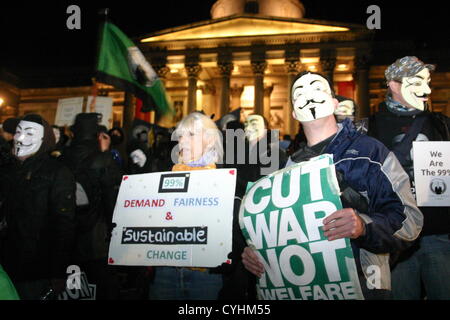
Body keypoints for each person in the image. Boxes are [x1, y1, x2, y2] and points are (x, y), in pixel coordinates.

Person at [241, 71, 424, 300]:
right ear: (294, 112)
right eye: (300, 93)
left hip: (363, 287)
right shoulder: (286, 168)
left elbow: (410, 222)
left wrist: (363, 227)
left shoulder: (370, 152)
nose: (309, 95)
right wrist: (258, 252)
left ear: (335, 103)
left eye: (317, 89)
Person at [368, 56, 450, 299]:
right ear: (394, 85)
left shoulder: (441, 124)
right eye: (417, 82)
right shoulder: (370, 127)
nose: (426, 90)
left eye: (428, 82)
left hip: (438, 234)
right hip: (394, 238)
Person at [148, 112, 249, 300]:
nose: (183, 141)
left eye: (191, 135)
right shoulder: (163, 176)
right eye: (180, 135)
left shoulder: (228, 181)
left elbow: (239, 233)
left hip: (206, 277)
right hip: (165, 273)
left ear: (210, 141)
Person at [1, 114, 76, 300]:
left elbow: (64, 225)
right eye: (17, 132)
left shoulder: (58, 172)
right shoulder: (7, 170)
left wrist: (58, 272)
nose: (19, 138)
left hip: (35, 270)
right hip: (5, 267)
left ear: (44, 139)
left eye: (28, 133)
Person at [59, 112, 123, 300]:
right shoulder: (102, 158)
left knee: (75, 290)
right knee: (101, 288)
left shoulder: (62, 156)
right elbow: (115, 195)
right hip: (97, 236)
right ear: (97, 134)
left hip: (68, 234)